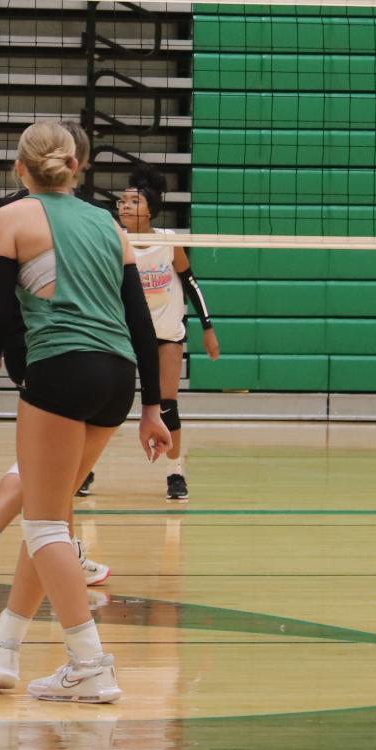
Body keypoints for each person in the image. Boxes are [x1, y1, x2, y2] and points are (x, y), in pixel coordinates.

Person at [0, 122, 169, 703]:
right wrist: (154, 406)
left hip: (60, 369)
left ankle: (90, 662)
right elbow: (142, 322)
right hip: (117, 378)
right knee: (52, 517)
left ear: (19, 170)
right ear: (77, 167)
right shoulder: (108, 223)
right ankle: (2, 647)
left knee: (46, 525)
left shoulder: (10, 218)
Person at [0, 124, 109, 599]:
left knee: (64, 461)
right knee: (49, 462)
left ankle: (69, 551)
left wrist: (1, 338)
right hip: (62, 347)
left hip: (31, 344)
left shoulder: (11, 209)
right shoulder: (85, 217)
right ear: (78, 163)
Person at [117, 171, 218, 503]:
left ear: (150, 209)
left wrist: (207, 327)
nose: (125, 205)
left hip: (166, 334)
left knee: (167, 405)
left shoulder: (168, 240)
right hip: (125, 332)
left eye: (134, 200)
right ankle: (85, 471)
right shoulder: (115, 239)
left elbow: (190, 282)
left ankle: (175, 473)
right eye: (122, 200)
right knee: (104, 402)